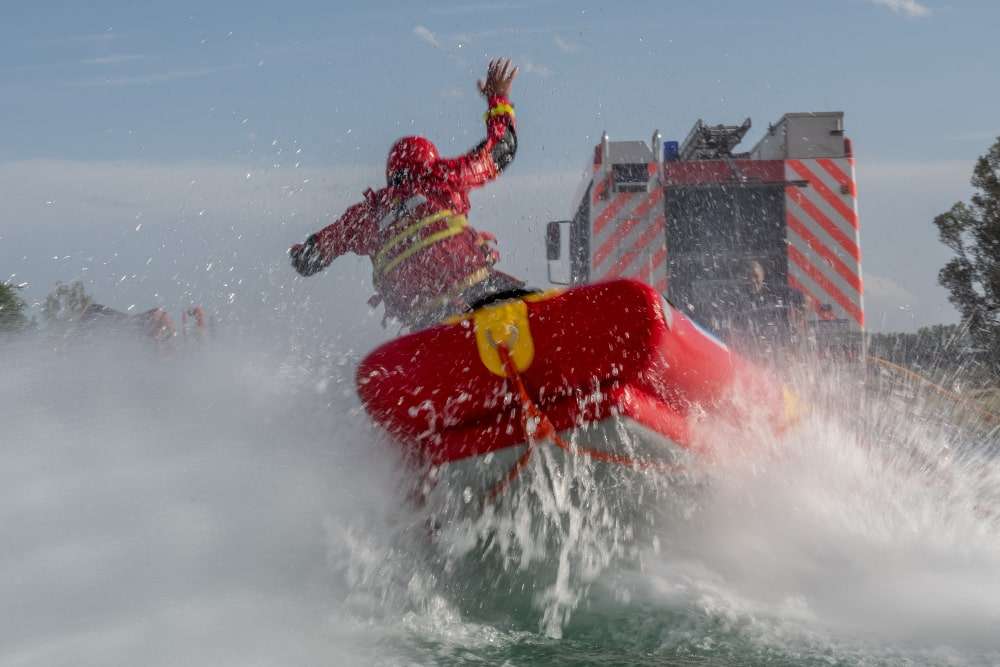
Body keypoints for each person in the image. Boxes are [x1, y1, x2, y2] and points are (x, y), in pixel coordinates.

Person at [290, 58, 524, 330]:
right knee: (523, 309)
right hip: (480, 293)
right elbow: (502, 149)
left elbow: (313, 257)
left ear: (392, 174)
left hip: (426, 322)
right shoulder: (441, 177)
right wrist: (498, 99)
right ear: (429, 161)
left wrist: (303, 253)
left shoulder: (369, 214)